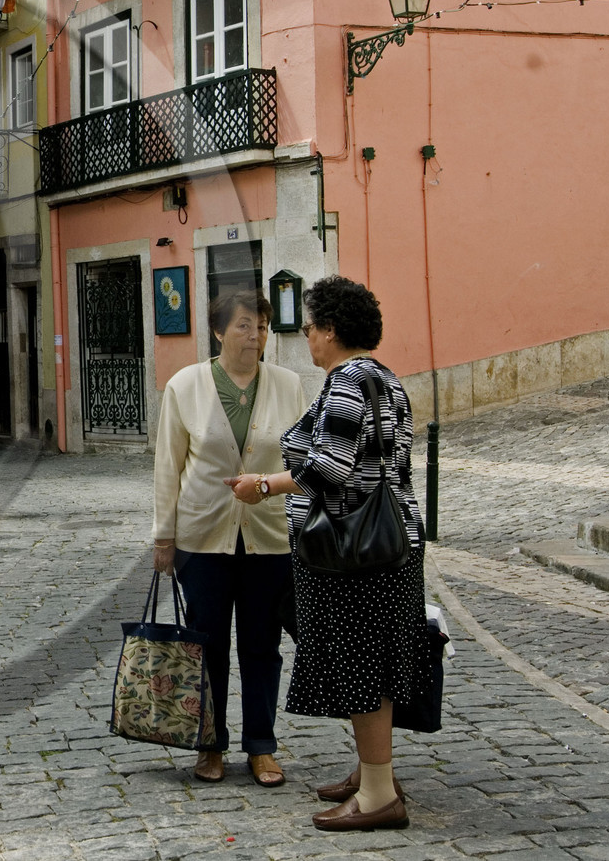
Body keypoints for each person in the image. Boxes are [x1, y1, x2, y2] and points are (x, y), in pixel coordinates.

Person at [228, 276, 429, 832]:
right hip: (391, 544)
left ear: (332, 331)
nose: (307, 336)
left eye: (312, 327)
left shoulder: (347, 383)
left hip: (353, 552)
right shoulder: (385, 379)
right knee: (378, 666)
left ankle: (378, 796)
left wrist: (264, 484)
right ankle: (371, 774)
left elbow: (329, 470)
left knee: (365, 667)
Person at [153, 290, 306, 787]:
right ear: (218, 331)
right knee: (208, 645)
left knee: (262, 646)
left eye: (260, 326)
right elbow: (168, 468)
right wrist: (164, 538)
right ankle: (209, 744)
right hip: (203, 540)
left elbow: (302, 464)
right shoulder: (185, 386)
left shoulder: (289, 385)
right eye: (243, 326)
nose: (254, 335)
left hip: (270, 539)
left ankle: (262, 746)